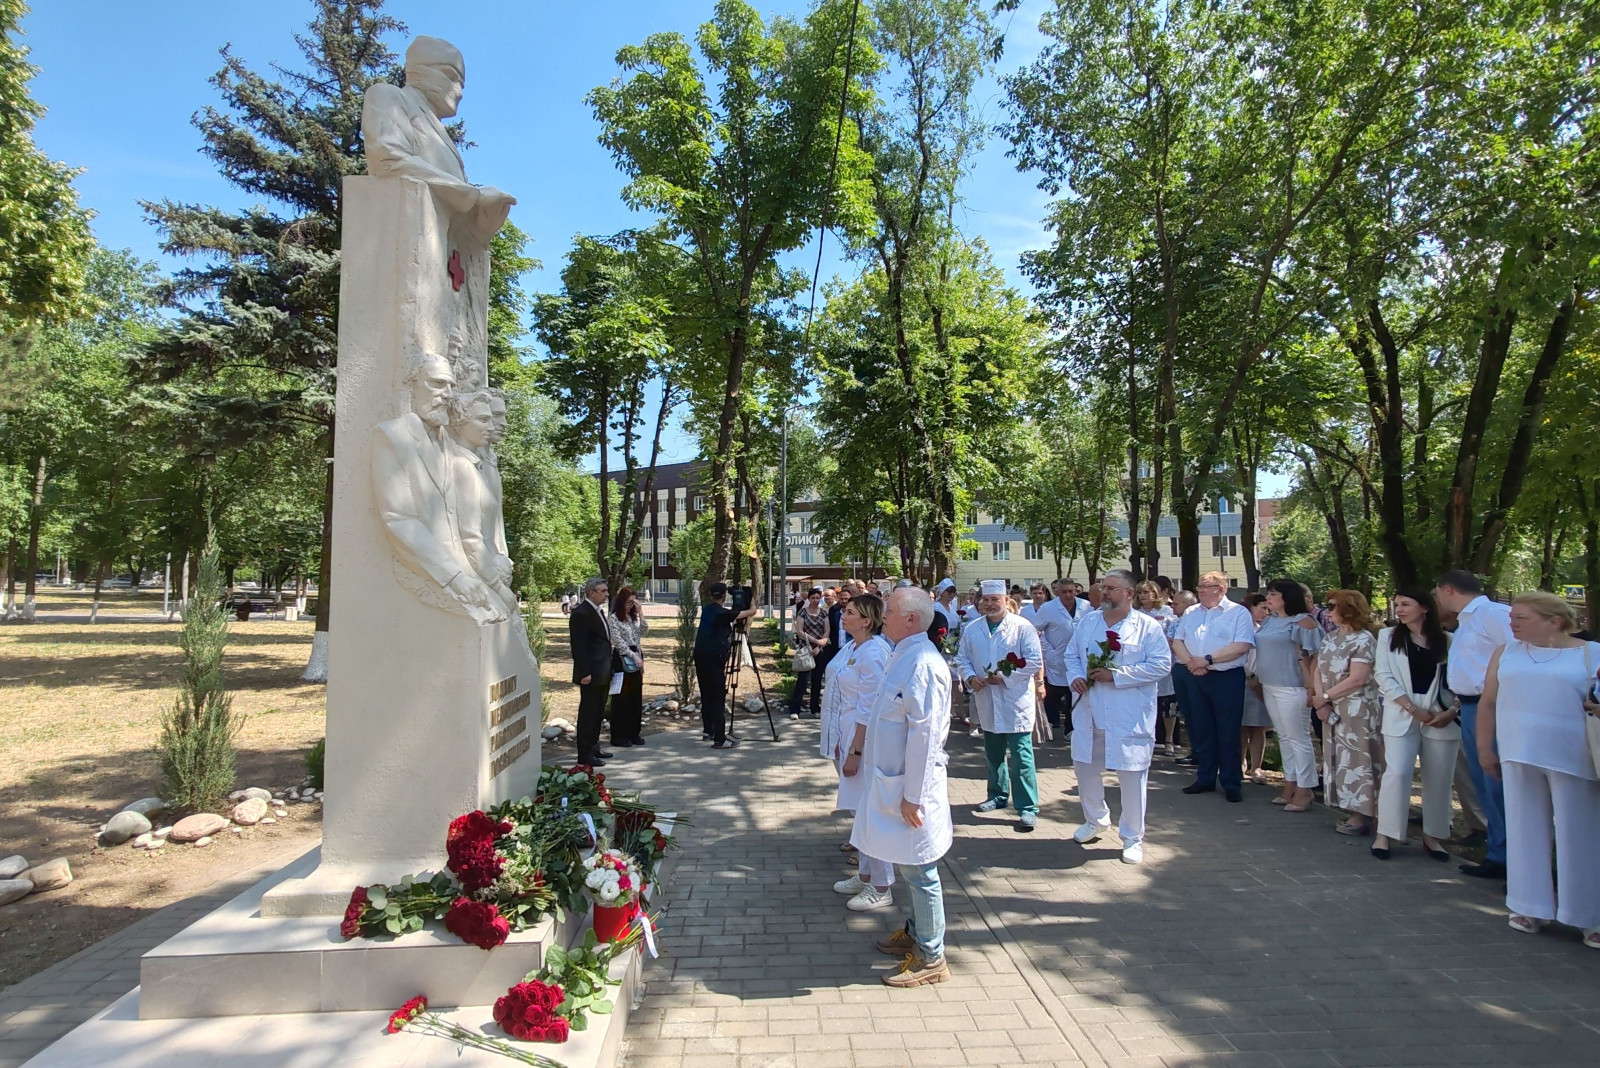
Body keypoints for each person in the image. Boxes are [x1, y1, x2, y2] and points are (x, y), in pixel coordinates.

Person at [1476, 592, 1600, 946]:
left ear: (1554, 621)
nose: (1511, 622)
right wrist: (1486, 748)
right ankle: (1529, 906)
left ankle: (1588, 915)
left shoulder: (1592, 654)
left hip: (1575, 756)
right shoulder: (1507, 652)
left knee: (1580, 833)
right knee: (1524, 828)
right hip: (1518, 752)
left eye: (1521, 617)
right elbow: (1487, 703)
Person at [852, 587, 954, 987]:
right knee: (908, 865)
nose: (884, 617)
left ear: (911, 620)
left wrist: (913, 795)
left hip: (911, 791)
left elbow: (925, 736)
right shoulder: (901, 654)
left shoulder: (924, 664)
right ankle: (916, 931)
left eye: (890, 611)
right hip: (893, 782)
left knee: (920, 870)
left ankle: (933, 957)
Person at [1064, 569, 1172, 864]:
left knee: (1131, 773)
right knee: (1085, 766)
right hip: (1089, 707)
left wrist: (1118, 675)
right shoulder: (1088, 622)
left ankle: (1132, 836)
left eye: (1112, 588)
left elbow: (1162, 665)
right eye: (1103, 587)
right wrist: (1075, 675)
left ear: (1128, 594)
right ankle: (1095, 819)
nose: (1105, 592)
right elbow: (1072, 655)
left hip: (1127, 711)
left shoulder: (1147, 627)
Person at [1434, 569, 1515, 879]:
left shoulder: (1493, 614)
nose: (1437, 597)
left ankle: (1511, 855)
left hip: (1490, 706)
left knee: (1496, 781)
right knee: (1484, 782)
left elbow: (1515, 654)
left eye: (1438, 591)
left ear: (1449, 589)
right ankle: (1498, 851)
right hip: (1469, 707)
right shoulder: (1467, 621)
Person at [1372, 588, 1458, 861]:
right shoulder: (1388, 637)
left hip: (1440, 715)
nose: (1399, 608)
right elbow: (1383, 675)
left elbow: (1459, 680)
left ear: (1425, 608)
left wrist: (1453, 709)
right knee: (1396, 773)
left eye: (1405, 603)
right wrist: (1411, 708)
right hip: (1402, 710)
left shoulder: (1448, 640)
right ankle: (1385, 833)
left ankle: (1433, 836)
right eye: (1397, 604)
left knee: (1440, 777)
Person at [957, 579, 1046, 832]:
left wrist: (1005, 677)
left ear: (1007, 601)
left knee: (1021, 755)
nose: (989, 604)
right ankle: (997, 794)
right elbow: (962, 659)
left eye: (995, 599)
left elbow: (1033, 661)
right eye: (985, 600)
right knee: (993, 752)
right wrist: (971, 677)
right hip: (986, 697)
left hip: (1015, 699)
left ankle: (1027, 807)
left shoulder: (1022, 627)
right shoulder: (973, 628)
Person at [826, 593, 896, 912]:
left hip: (866, 742)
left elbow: (869, 707)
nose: (843, 614)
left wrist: (855, 750)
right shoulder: (854, 647)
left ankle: (882, 885)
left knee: (871, 812)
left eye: (850, 612)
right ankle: (866, 874)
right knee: (860, 810)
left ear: (867, 620)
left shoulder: (875, 652)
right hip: (850, 734)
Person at [1172, 572, 1256, 802]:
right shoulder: (1191, 612)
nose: (1200, 590)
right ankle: (1205, 777)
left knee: (1227, 730)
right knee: (1202, 728)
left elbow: (1242, 644)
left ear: (1220, 588)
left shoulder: (1237, 613)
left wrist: (1208, 659)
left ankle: (1231, 782)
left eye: (1205, 587)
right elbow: (1177, 640)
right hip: (1195, 675)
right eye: (1199, 586)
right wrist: (1191, 662)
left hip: (1226, 677)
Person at [1313, 590, 1384, 836]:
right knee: (1338, 757)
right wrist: (1321, 701)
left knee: (1358, 759)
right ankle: (1348, 804)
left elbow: (1358, 678)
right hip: (1332, 707)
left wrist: (1325, 697)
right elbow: (1318, 668)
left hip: (1357, 708)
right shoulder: (1331, 637)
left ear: (1350, 609)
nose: (1328, 610)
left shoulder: (1364, 640)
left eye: (1333, 606)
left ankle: (1364, 813)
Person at [1256, 580, 1323, 811]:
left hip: (1293, 686)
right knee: (1284, 737)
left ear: (1287, 597)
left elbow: (1315, 657)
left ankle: (1305, 789)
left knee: (1298, 737)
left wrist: (1313, 689)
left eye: (1273, 594)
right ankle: (1291, 782)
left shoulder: (1303, 622)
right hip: (1270, 684)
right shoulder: (1270, 621)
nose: (1268, 598)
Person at [694, 582, 758, 750]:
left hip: (700, 657)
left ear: (710, 596)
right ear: (724, 596)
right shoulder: (723, 613)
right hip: (714, 658)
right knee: (717, 697)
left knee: (707, 695)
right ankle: (720, 739)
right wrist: (751, 597)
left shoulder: (707, 609)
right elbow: (752, 612)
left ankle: (709, 730)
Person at [568, 577, 615, 766]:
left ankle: (594, 747)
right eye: (603, 591)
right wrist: (584, 671)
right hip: (591, 673)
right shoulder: (581, 613)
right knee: (588, 713)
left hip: (602, 670)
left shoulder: (597, 611)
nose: (607, 594)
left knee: (598, 712)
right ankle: (585, 753)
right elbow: (578, 646)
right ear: (591, 592)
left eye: (606, 590)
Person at [1033, 578, 1081, 735]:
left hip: (1078, 659)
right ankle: (1050, 724)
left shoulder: (1085, 607)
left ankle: (1070, 729)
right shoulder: (1048, 608)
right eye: (1064, 592)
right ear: (1057, 592)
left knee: (1073, 694)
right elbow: (1035, 631)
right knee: (1053, 694)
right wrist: (1047, 649)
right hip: (1056, 658)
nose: (1068, 595)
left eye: (1071, 591)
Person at [1135, 582, 1178, 755]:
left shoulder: (1167, 612)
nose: (1143, 596)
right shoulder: (1134, 613)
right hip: (1141, 663)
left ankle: (1169, 739)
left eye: (1146, 592)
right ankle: (1146, 738)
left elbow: (1173, 635)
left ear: (1155, 593)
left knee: (1168, 703)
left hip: (1164, 662)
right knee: (1145, 703)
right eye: (1140, 593)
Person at [607, 586, 649, 749]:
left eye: (634, 601)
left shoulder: (632, 618)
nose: (631, 605)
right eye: (629, 601)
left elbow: (643, 632)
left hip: (637, 656)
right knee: (621, 699)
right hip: (622, 659)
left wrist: (640, 613)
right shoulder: (614, 619)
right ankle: (619, 735)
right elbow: (618, 642)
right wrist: (634, 657)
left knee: (635, 698)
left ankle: (634, 732)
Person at [1241, 594, 1273, 784]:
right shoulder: (1242, 629)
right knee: (1242, 726)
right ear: (1250, 608)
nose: (1265, 612)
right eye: (1262, 607)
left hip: (1262, 681)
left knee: (1258, 726)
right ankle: (1240, 764)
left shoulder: (1265, 629)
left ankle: (1257, 767)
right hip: (1244, 680)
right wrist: (1250, 677)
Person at [790, 588, 830, 719]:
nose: (815, 600)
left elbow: (826, 631)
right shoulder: (803, 612)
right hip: (805, 649)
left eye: (817, 598)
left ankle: (814, 708)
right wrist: (813, 641)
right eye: (812, 598)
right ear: (808, 599)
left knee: (817, 680)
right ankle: (795, 709)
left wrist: (819, 644)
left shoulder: (823, 613)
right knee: (803, 679)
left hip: (819, 650)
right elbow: (800, 631)